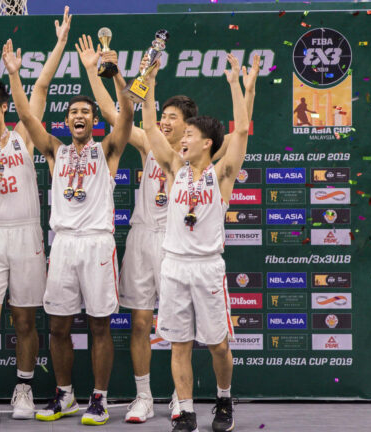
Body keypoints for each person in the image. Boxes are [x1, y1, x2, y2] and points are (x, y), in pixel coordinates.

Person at [76, 36, 259, 424]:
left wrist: (244, 87)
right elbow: (122, 115)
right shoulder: (159, 153)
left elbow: (241, 132)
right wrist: (135, 77)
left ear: (196, 133)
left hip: (197, 257)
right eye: (165, 116)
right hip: (154, 242)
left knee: (206, 341)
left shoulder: (212, 165)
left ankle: (199, 399)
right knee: (155, 329)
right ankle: (155, 399)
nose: (167, 122)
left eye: (175, 119)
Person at [2, 38, 133, 426]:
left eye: (85, 112)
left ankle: (100, 398)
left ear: (93, 121)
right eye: (73, 112)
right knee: (58, 326)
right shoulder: (55, 151)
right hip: (63, 245)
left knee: (99, 325)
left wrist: (112, 76)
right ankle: (65, 395)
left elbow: (126, 116)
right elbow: (26, 117)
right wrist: (14, 76)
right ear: (65, 121)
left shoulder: (107, 150)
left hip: (96, 244)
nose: (79, 116)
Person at [0, 6, 71, 422]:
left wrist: (56, 46)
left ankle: (24, 389)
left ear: (4, 105)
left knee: (25, 320)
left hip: (26, 234)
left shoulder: (24, 133)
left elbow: (41, 85)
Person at [142, 54, 250, 432]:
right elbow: (149, 127)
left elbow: (241, 132)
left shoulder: (221, 175)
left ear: (207, 143)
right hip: (174, 266)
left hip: (207, 268)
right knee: (179, 344)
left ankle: (223, 399)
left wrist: (237, 86)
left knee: (218, 345)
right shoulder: (174, 168)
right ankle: (185, 411)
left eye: (188, 135)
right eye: (182, 134)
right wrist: (149, 82)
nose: (181, 138)